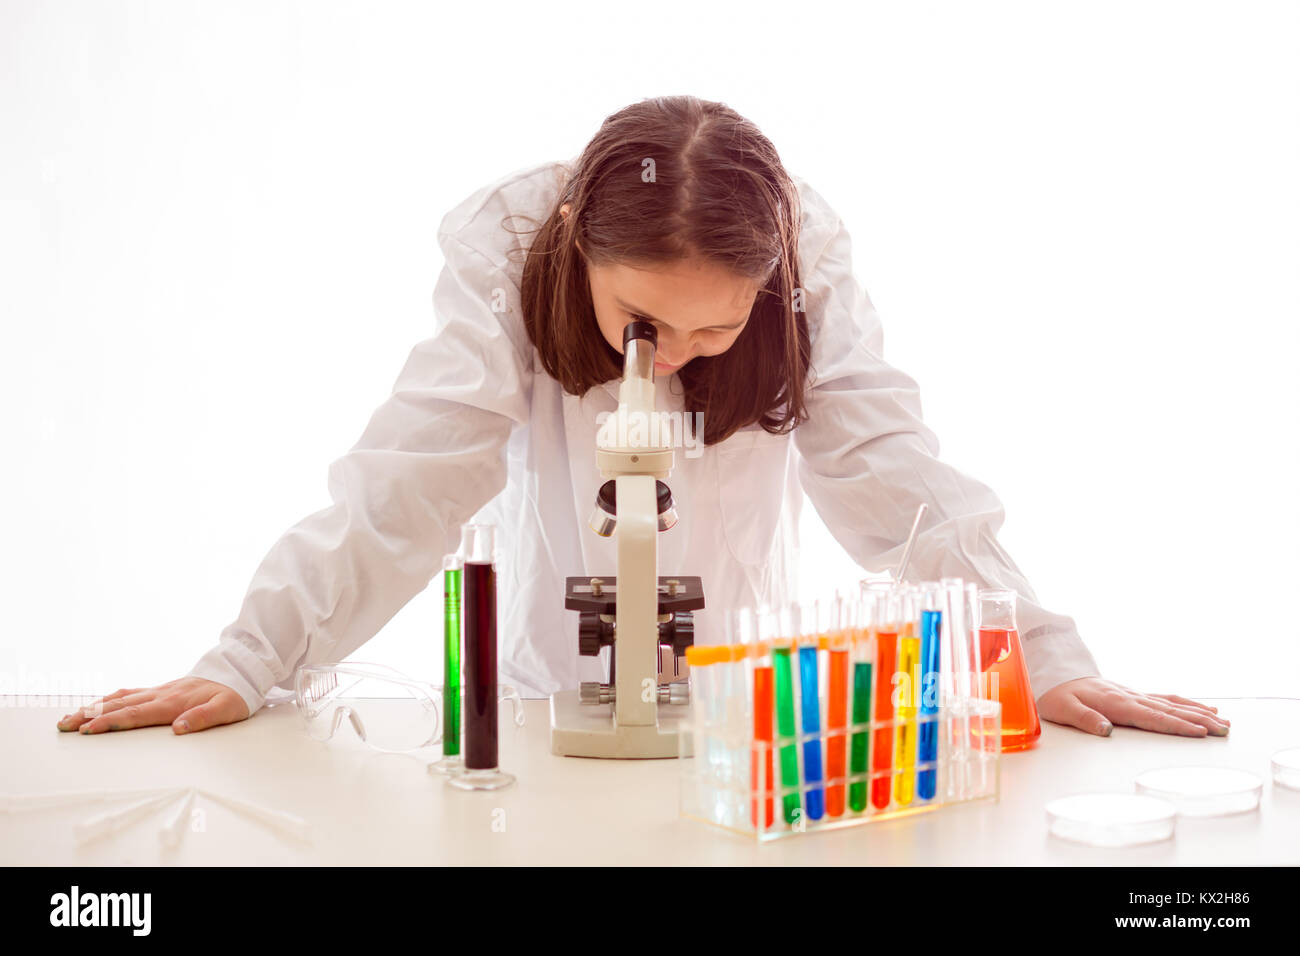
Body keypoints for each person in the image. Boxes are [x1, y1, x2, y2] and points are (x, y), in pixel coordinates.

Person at [58, 95, 1227, 741]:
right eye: (640, 325)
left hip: (743, 704)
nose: (666, 363)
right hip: (546, 697)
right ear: (575, 243)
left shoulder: (801, 252)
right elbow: (414, 470)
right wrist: (248, 656)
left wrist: (1039, 651)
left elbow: (888, 465)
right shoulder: (510, 240)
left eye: (712, 334)